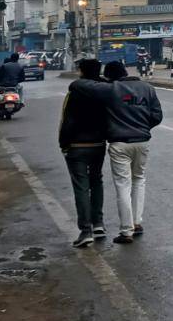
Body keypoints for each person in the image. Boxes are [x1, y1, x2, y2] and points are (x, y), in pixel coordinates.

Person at [72, 60, 162, 244]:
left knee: (123, 185)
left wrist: (101, 81)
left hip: (120, 143)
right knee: (139, 180)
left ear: (111, 76)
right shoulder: (147, 88)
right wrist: (143, 127)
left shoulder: (111, 89)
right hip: (143, 142)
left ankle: (126, 231)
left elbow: (78, 85)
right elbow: (157, 116)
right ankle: (137, 222)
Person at [59, 59, 108, 247]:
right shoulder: (106, 91)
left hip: (77, 145)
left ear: (81, 72)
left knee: (81, 186)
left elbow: (66, 120)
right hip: (98, 144)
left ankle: (85, 230)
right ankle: (98, 224)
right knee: (97, 181)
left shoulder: (74, 92)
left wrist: (64, 144)